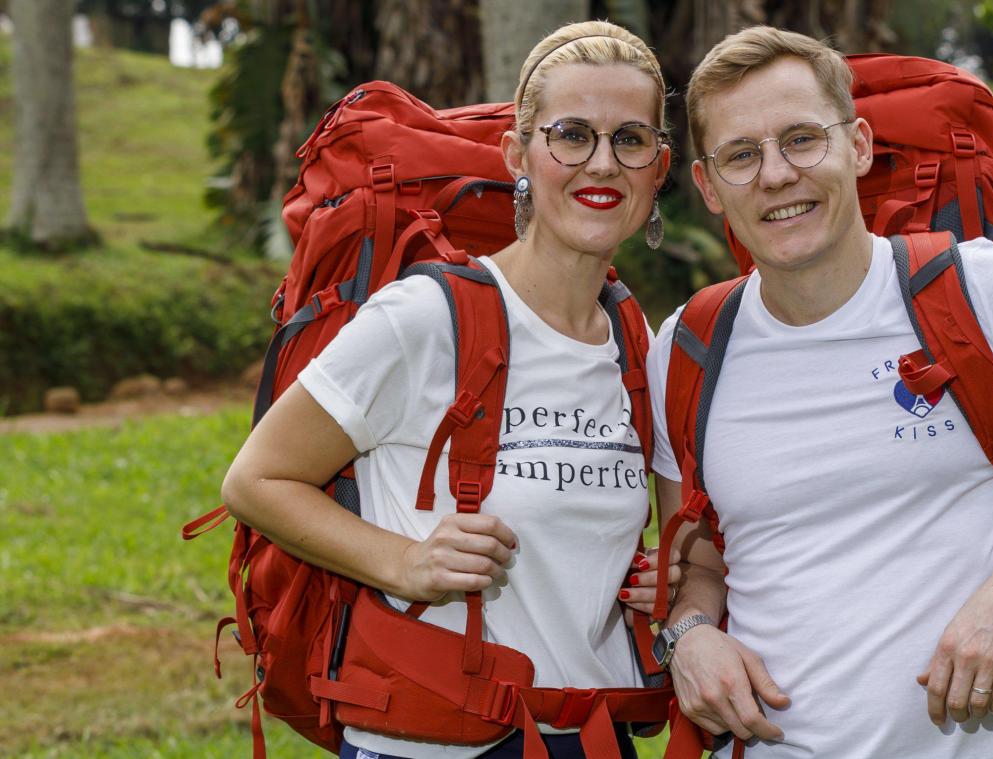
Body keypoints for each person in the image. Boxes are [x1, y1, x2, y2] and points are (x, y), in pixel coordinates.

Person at [645, 26, 993, 758]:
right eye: (741, 155)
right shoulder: (689, 349)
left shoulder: (990, 294)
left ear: (858, 145)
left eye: (802, 138)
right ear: (707, 186)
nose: (776, 175)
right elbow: (698, 568)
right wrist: (691, 637)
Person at [223, 20, 678, 759]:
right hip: (433, 739)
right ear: (517, 154)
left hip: (592, 735)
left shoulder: (634, 339)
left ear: (659, 166)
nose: (603, 164)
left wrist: (658, 577)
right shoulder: (427, 316)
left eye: (631, 139)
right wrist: (403, 561)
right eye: (571, 135)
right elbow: (256, 478)